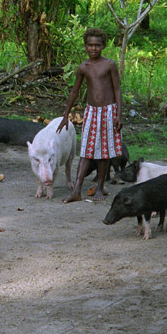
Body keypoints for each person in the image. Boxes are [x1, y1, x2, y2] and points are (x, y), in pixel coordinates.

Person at [57, 27, 124, 203]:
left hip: (108, 112)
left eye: (97, 45)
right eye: (90, 45)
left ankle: (100, 187)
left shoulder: (109, 65)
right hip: (91, 112)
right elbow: (74, 91)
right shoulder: (83, 67)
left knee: (105, 152)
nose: (93, 48)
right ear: (85, 46)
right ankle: (77, 190)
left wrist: (118, 115)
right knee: (86, 151)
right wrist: (66, 115)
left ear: (103, 46)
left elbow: (117, 90)